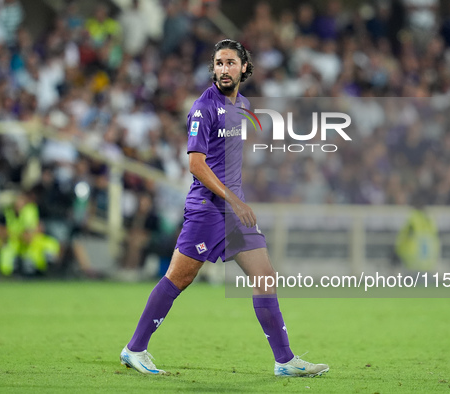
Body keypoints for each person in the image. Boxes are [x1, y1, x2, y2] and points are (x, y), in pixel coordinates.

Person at [119, 39, 329, 377]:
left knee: (264, 276)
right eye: (218, 63)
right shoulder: (203, 107)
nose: (224, 69)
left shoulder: (242, 104)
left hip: (234, 212)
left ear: (244, 67)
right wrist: (234, 198)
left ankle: (285, 361)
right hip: (207, 209)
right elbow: (197, 164)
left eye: (230, 63)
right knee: (179, 278)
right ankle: (135, 348)